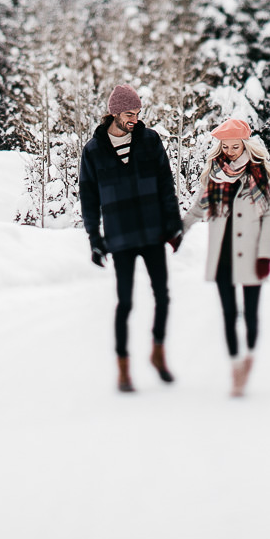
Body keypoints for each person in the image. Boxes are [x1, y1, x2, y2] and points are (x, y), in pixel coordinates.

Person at [78, 84, 183, 393]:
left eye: (138, 114)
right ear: (114, 113)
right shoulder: (93, 151)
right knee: (124, 302)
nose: (134, 119)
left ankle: (158, 353)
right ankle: (123, 367)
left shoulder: (150, 142)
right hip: (120, 235)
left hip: (152, 232)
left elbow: (166, 184)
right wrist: (93, 237)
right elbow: (88, 196)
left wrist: (173, 225)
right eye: (128, 114)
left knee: (162, 296)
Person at [182, 117, 270, 397]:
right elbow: (199, 207)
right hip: (223, 252)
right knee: (226, 313)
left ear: (245, 145)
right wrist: (180, 230)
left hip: (250, 254)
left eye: (235, 146)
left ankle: (248, 357)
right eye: (225, 147)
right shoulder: (215, 174)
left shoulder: (260, 175)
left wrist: (265, 256)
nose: (230, 152)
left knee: (249, 314)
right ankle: (236, 366)